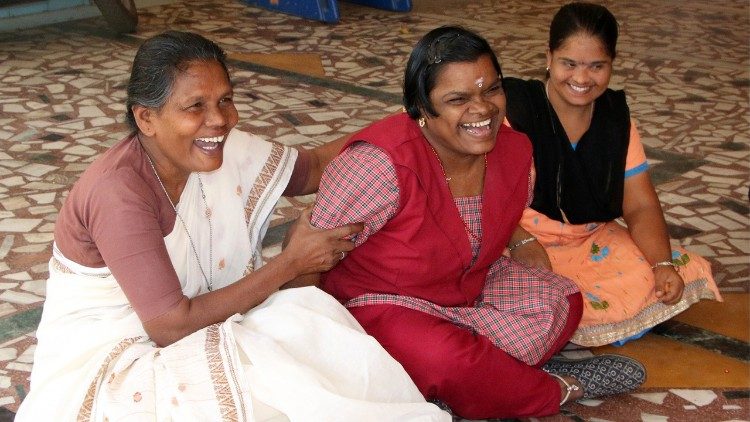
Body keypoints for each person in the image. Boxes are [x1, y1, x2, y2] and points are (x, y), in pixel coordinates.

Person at [16, 31, 451, 421]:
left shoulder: (216, 146)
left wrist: (415, 122)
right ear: (146, 118)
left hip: (203, 320)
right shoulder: (119, 193)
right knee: (266, 401)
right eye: (195, 107)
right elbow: (169, 325)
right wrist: (290, 263)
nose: (219, 119)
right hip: (117, 360)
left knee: (314, 329)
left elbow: (314, 168)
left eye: (225, 99)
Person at [310, 26, 646, 419]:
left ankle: (463, 381)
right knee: (447, 359)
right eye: (458, 99)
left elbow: (491, 229)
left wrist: (520, 243)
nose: (483, 110)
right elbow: (310, 257)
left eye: (492, 90)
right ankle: (557, 388)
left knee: (562, 300)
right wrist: (312, 342)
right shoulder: (377, 164)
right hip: (380, 303)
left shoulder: (514, 152)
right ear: (421, 108)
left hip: (467, 288)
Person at [502, 2, 722, 347]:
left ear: (612, 65)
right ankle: (558, 320)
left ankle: (566, 325)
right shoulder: (514, 110)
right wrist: (523, 242)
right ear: (549, 57)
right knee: (504, 281)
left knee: (678, 269)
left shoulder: (616, 121)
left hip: (589, 239)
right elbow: (477, 196)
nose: (581, 78)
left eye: (596, 66)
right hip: (516, 236)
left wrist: (662, 262)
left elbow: (641, 206)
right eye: (569, 63)